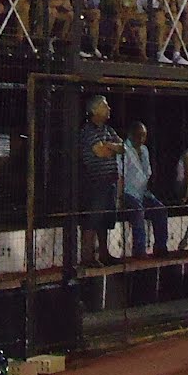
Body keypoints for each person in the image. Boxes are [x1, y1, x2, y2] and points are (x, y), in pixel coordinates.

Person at [79, 95, 123, 267]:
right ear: (94, 110)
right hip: (95, 181)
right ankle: (87, 257)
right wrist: (112, 147)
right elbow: (100, 152)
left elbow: (123, 147)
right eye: (105, 106)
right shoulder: (88, 130)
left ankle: (103, 254)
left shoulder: (108, 129)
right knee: (92, 219)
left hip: (109, 180)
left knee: (105, 219)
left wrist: (108, 145)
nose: (109, 109)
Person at [118, 121, 168, 258]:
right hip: (128, 192)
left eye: (143, 135)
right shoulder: (123, 150)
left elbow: (147, 173)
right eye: (138, 135)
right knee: (138, 211)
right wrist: (119, 198)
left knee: (160, 209)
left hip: (142, 192)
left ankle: (160, 247)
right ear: (130, 135)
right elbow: (120, 175)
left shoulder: (144, 150)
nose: (141, 138)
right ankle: (139, 250)